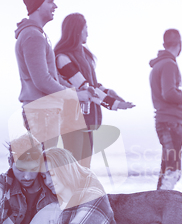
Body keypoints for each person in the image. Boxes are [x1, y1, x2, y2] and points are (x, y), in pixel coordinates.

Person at [54, 13, 135, 167]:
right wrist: (114, 104)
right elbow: (85, 88)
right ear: (77, 31)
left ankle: (83, 192)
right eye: (86, 29)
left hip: (88, 118)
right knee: (76, 165)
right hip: (73, 120)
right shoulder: (62, 58)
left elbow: (93, 85)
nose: (88, 33)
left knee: (85, 166)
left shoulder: (85, 55)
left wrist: (110, 92)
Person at [16, 0, 90, 150]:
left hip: (44, 111)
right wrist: (74, 95)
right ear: (38, 5)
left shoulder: (36, 34)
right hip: (41, 112)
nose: (55, 6)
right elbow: (42, 81)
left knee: (45, 168)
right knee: (43, 168)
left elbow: (50, 77)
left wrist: (74, 91)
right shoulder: (33, 36)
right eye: (50, 2)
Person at [149, 29, 182, 190]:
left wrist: (180, 95)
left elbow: (166, 93)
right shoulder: (169, 64)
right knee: (173, 170)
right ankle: (163, 206)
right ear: (179, 44)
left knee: (167, 169)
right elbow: (168, 93)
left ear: (164, 44)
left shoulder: (159, 65)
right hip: (170, 122)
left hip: (164, 120)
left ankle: (157, 207)